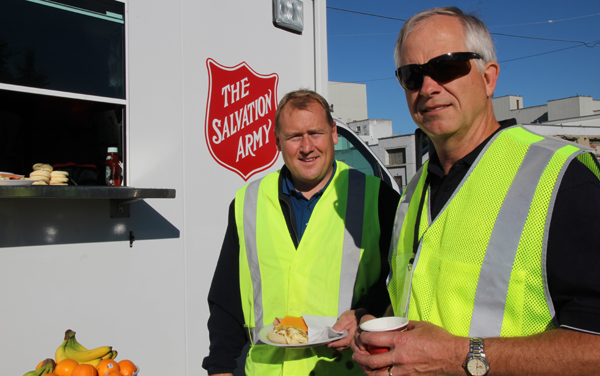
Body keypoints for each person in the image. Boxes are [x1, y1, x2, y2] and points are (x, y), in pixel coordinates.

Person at [351, 7, 600, 376]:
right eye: (412, 75)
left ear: (488, 78)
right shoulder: (413, 191)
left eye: (447, 66)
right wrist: (380, 328)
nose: (429, 87)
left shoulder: (563, 177)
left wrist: (461, 357)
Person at [202, 89, 400, 375]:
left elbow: (400, 284)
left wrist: (365, 312)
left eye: (315, 133)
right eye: (295, 136)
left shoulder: (377, 198)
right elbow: (226, 299)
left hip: (344, 369)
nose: (307, 147)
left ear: (334, 133)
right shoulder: (247, 202)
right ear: (277, 141)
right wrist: (219, 368)